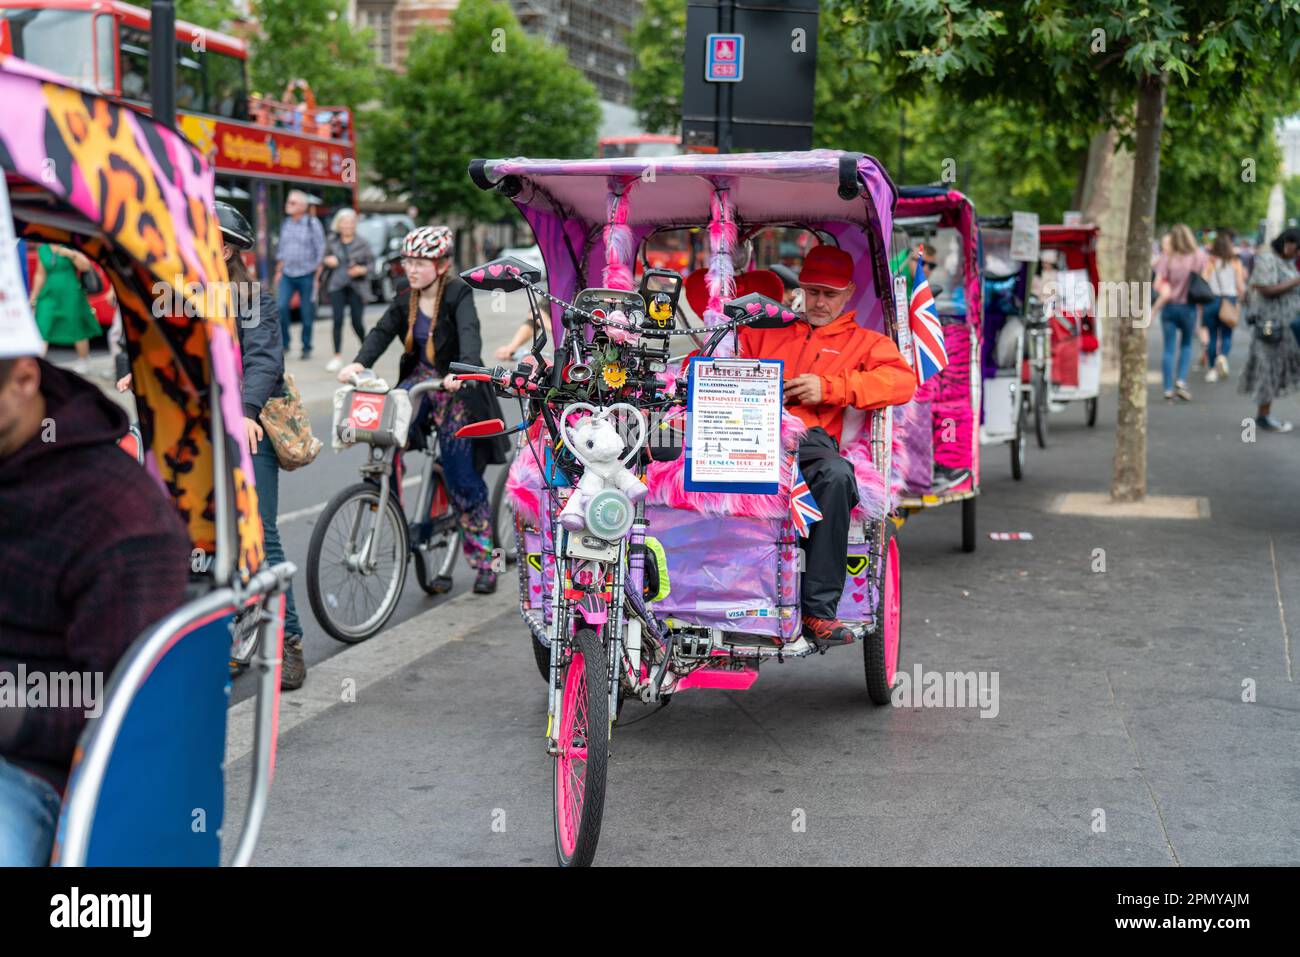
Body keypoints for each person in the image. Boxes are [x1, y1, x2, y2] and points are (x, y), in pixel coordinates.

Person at [0, 354, 191, 865]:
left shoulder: (119, 514)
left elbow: (126, 708)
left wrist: (11, 712)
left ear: (23, 379)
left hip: (34, 770)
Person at [737, 244, 916, 648]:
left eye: (829, 294)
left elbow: (903, 383)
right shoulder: (765, 331)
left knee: (837, 476)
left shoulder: (865, 342)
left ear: (849, 291)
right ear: (800, 287)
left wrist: (831, 389)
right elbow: (717, 363)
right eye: (813, 291)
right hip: (747, 435)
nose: (819, 302)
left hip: (810, 444)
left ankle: (819, 610)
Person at [336, 226, 509, 594]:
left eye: (420, 263)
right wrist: (357, 364)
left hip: (456, 386)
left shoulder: (459, 294)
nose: (412, 270)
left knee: (462, 476)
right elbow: (380, 334)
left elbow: (470, 336)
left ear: (442, 265)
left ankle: (484, 562)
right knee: (385, 433)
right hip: (418, 383)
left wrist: (464, 371)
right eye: (408, 262)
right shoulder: (404, 300)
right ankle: (389, 503)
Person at [218, 202, 309, 687]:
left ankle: (289, 642)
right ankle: (241, 628)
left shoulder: (254, 297)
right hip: (202, 428)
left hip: (249, 423)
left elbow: (263, 360)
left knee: (259, 533)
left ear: (227, 248)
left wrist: (247, 412)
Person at [1238, 228, 1300, 433]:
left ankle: (1264, 415)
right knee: (1268, 371)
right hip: (1271, 327)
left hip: (1286, 327)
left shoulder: (1284, 263)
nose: (1297, 253)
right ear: (1288, 243)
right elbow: (1266, 288)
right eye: (1297, 249)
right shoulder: (1268, 260)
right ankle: (1263, 416)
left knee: (1277, 370)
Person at [1153, 224, 1208, 402]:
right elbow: (1205, 277)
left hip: (1169, 307)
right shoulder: (1198, 256)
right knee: (1186, 345)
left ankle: (1168, 389)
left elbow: (1157, 284)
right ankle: (1181, 380)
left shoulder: (1167, 258)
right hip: (1189, 307)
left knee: (1169, 348)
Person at [27, 244, 99, 374]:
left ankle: (84, 360)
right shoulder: (43, 249)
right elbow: (40, 274)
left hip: (70, 294)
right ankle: (36, 363)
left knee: (76, 327)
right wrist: (33, 297)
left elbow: (85, 266)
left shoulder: (68, 244)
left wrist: (71, 254)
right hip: (49, 294)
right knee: (42, 325)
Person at [322, 209, 374, 374]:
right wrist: (327, 260)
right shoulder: (332, 241)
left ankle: (366, 353)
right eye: (344, 222)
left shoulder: (363, 242)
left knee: (356, 322)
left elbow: (372, 266)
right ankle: (337, 357)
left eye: (351, 222)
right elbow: (323, 258)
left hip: (356, 287)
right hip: (337, 285)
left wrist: (361, 270)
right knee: (337, 320)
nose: (348, 225)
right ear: (339, 224)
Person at [275, 190, 325, 360]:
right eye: (288, 202)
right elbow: (282, 248)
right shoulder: (286, 223)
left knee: (306, 313)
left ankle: (306, 347)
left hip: (307, 274)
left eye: (293, 203)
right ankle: (285, 344)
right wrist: (279, 270)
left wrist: (318, 273)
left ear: (303, 207)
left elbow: (320, 249)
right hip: (287, 274)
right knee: (281, 307)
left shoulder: (313, 224)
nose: (288, 205)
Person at [1202, 232, 1247, 383]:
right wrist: (1241, 300)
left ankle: (1212, 370)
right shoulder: (1235, 262)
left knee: (1213, 336)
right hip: (1229, 300)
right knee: (1227, 334)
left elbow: (1204, 281)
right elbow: (1240, 286)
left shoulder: (1211, 262)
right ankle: (1223, 357)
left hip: (1212, 300)